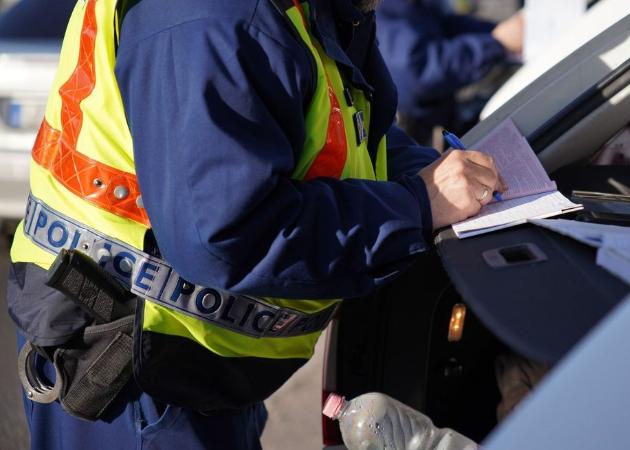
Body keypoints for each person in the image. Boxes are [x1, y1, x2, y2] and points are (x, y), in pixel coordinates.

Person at [6, 0, 505, 448]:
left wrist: (426, 174)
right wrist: (417, 206)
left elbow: (347, 134)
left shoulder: (301, 11)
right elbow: (222, 236)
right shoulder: (211, 18)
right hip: (133, 377)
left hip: (193, 371)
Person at [376, 0, 523, 145]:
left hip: (443, 123)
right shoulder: (381, 8)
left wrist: (500, 31)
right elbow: (418, 75)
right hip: (418, 140)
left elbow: (445, 26)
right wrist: (496, 42)